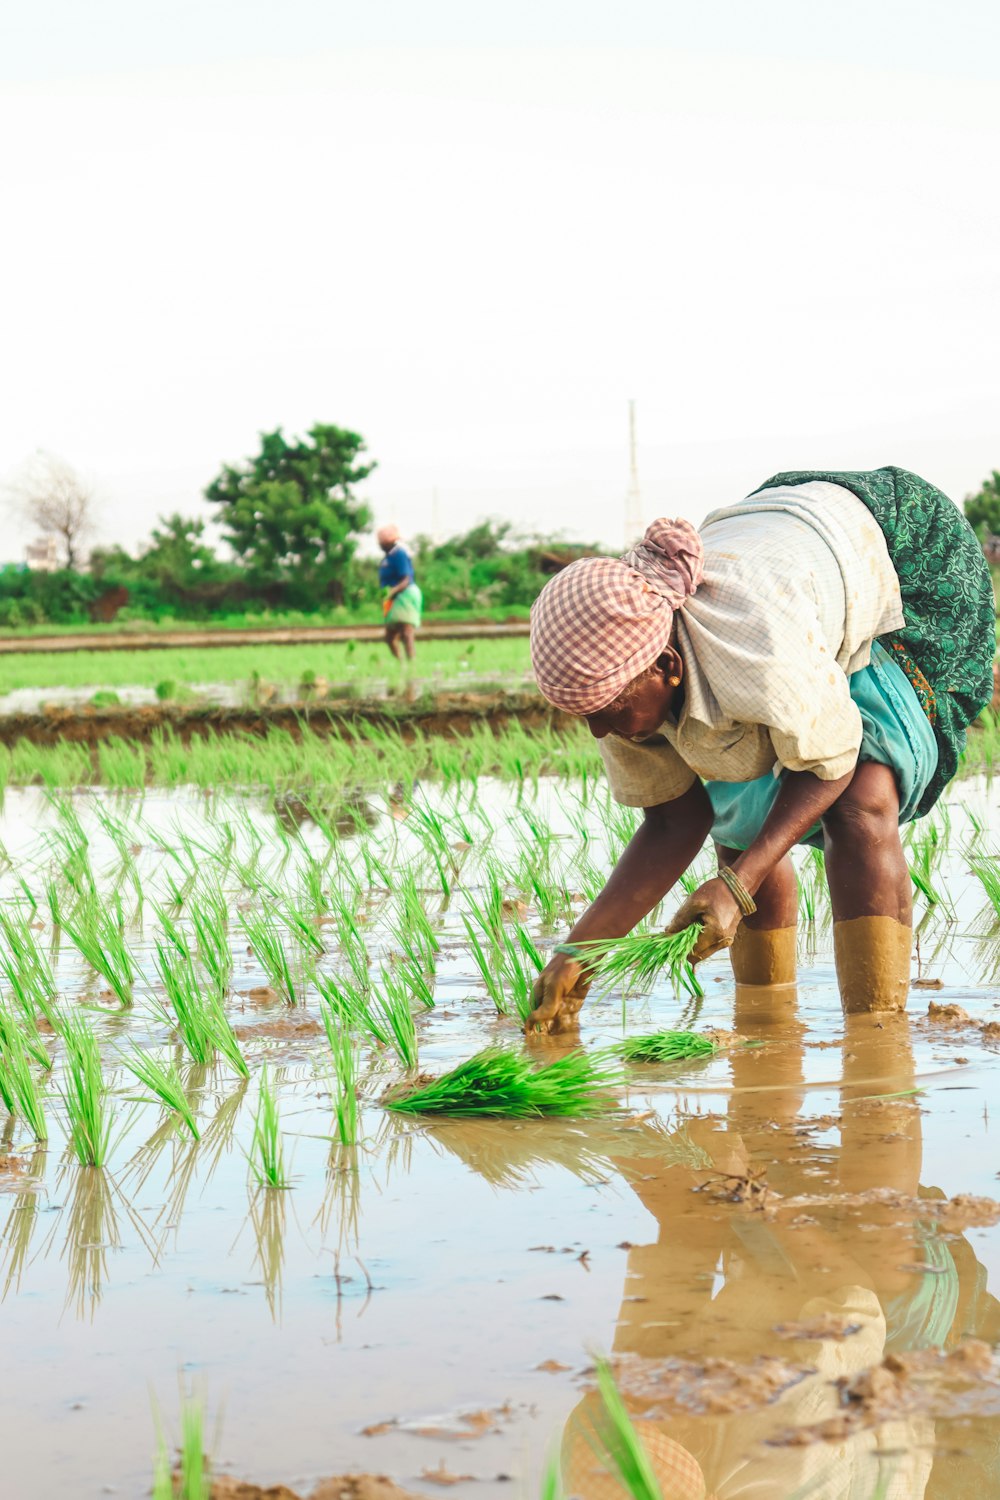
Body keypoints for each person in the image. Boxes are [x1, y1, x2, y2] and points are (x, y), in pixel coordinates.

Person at [526, 467, 995, 1033]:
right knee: (738, 825)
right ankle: (766, 1025)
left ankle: (877, 1039)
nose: (601, 733)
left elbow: (831, 761)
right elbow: (675, 821)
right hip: (783, 552)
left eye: (608, 714)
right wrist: (578, 952)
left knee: (861, 796)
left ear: (668, 667)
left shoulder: (757, 646)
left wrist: (737, 885)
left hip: (895, 554)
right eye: (587, 719)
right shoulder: (617, 686)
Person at [377, 523, 422, 661]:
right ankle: (401, 664)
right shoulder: (387, 558)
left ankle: (411, 663)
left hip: (405, 595)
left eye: (383, 541)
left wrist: (393, 591)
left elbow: (406, 579)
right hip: (392, 598)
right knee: (390, 636)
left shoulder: (399, 554)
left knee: (406, 631)